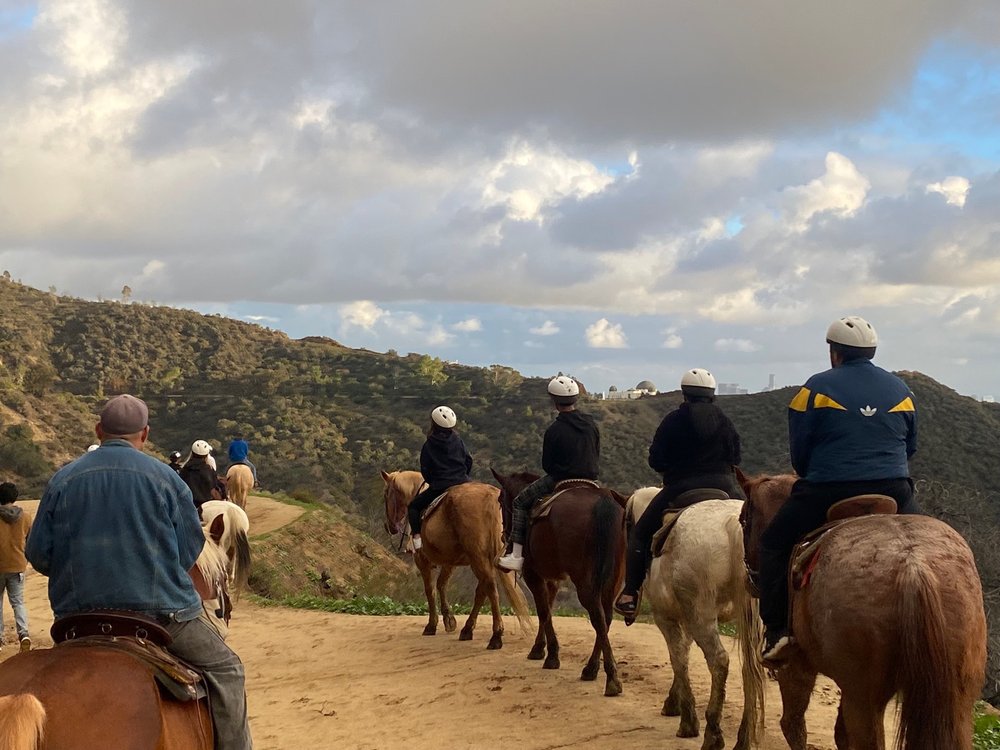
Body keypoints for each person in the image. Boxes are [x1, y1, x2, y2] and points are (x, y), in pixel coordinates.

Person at [25, 395, 252, 749]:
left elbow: (38, 556)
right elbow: (190, 552)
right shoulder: (166, 479)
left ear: (99, 430)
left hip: (76, 619)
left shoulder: (62, 480)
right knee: (228, 670)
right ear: (144, 435)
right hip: (161, 617)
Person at [759, 316, 919, 662]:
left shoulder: (814, 390)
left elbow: (799, 455)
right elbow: (910, 447)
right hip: (895, 489)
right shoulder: (902, 392)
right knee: (924, 546)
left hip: (828, 489)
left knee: (773, 544)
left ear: (835, 353)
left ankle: (776, 632)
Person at [614, 368, 744, 624]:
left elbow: (656, 459)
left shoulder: (673, 421)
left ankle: (630, 593)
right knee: (754, 525)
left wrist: (672, 469)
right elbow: (736, 458)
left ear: (685, 393)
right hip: (725, 487)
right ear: (712, 394)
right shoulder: (725, 421)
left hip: (681, 488)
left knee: (640, 534)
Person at [498, 376, 600, 571]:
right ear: (576, 399)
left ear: (554, 401)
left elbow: (547, 465)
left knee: (519, 502)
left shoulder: (555, 429)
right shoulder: (591, 424)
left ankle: (516, 555)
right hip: (590, 480)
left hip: (561, 478)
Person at [408, 406, 473, 551]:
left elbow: (425, 469)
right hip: (464, 482)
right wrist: (464, 477)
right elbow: (468, 461)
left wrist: (434, 482)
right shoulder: (458, 441)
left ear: (433, 423)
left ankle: (417, 541)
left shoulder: (429, 444)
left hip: (441, 485)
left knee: (413, 506)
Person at [0, 481, 31, 652]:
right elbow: (30, 541)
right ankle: (24, 634)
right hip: (18, 565)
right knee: (18, 602)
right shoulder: (25, 517)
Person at [180, 440, 222, 507]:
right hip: (208, 504)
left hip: (190, 505)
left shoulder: (184, 470)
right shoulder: (210, 470)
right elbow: (216, 486)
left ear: (192, 453)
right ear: (206, 455)